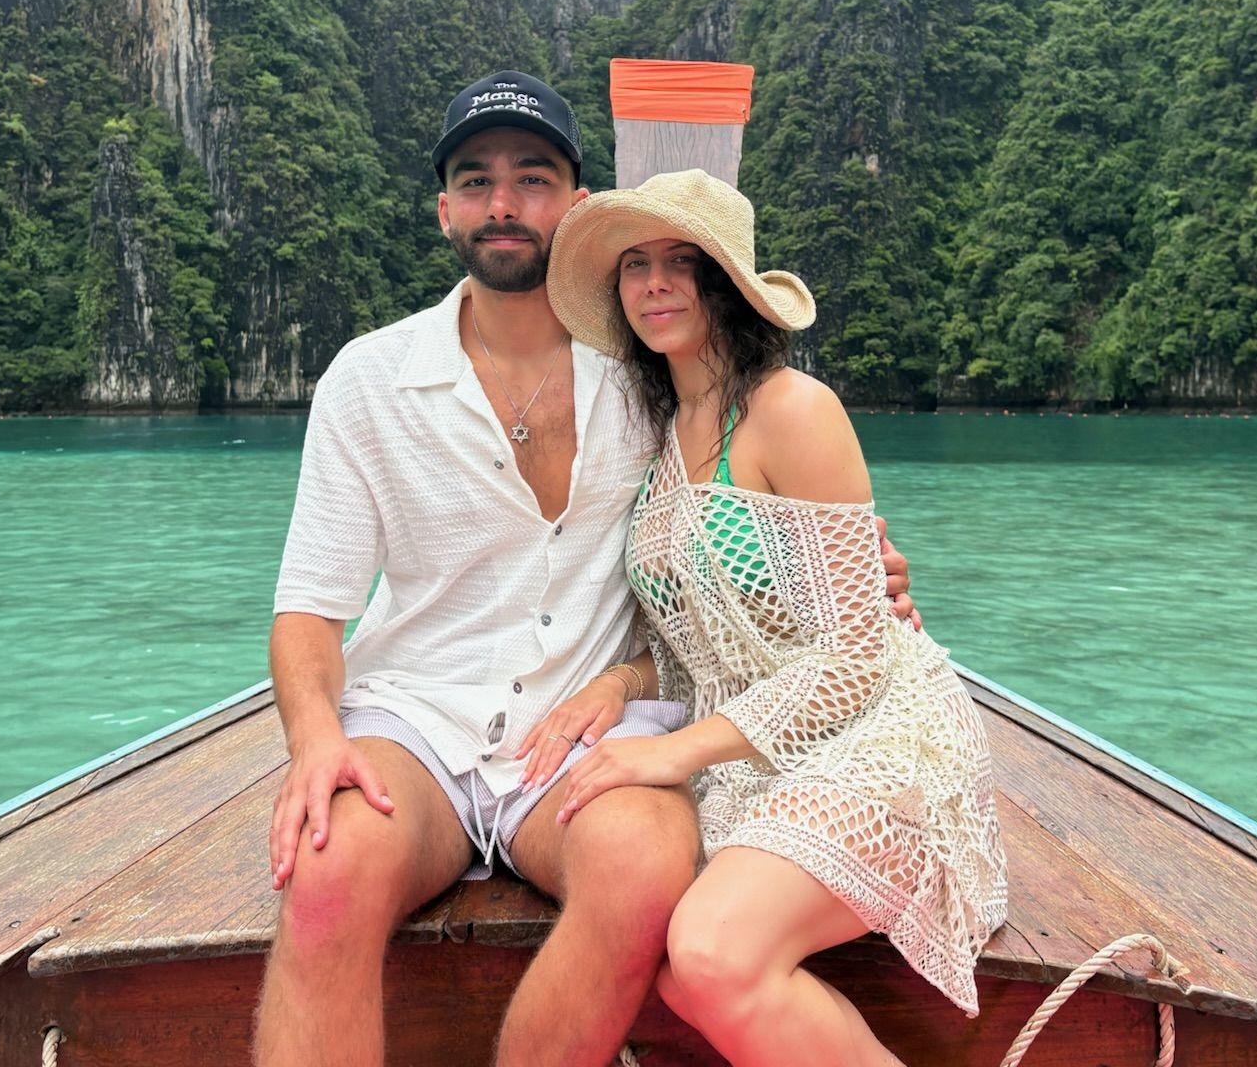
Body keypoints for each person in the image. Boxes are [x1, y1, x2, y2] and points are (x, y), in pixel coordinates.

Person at [255, 71, 917, 1067]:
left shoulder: (650, 375)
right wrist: (314, 741)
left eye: (534, 178)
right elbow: (310, 608)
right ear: (444, 210)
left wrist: (866, 568)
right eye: (476, 182)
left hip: (585, 731)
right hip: (415, 724)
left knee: (647, 873)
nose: (505, 204)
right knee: (326, 867)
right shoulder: (369, 379)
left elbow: (747, 507)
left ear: (576, 208)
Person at [542, 169, 1007, 1067]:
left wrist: (674, 750)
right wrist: (621, 680)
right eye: (635, 265)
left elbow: (857, 654)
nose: (655, 284)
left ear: (731, 284)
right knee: (681, 975)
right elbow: (694, 653)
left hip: (878, 739)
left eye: (685, 262)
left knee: (711, 956)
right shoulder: (662, 438)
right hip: (755, 761)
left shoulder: (793, 410)